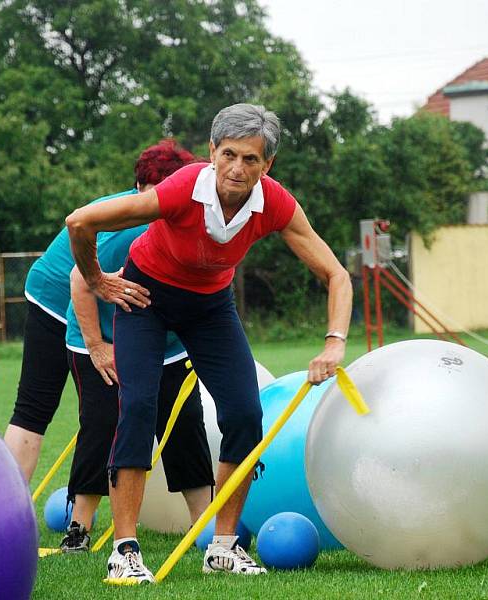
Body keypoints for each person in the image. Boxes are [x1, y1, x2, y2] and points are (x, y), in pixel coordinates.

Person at [66, 103, 352, 583]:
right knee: (137, 406)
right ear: (213, 153)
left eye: (251, 160)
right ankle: (125, 550)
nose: (237, 169)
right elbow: (80, 222)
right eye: (229, 155)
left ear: (268, 166)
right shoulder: (181, 189)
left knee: (244, 413)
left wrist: (334, 342)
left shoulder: (276, 204)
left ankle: (223, 546)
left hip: (211, 308)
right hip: (147, 299)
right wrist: (98, 280)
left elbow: (336, 274)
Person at [2, 141, 211, 486]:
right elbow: (81, 280)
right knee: (34, 406)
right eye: (155, 190)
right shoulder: (133, 224)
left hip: (89, 295)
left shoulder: (168, 218)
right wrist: (95, 345)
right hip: (52, 300)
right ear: (142, 187)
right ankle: (8, 506)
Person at [60, 142, 214, 553]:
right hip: (101, 340)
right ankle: (79, 528)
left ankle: (208, 529)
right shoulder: (124, 228)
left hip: (169, 344)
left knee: (185, 428)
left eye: (163, 190)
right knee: (103, 425)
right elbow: (80, 279)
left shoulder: (196, 220)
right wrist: (96, 347)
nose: (154, 200)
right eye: (148, 190)